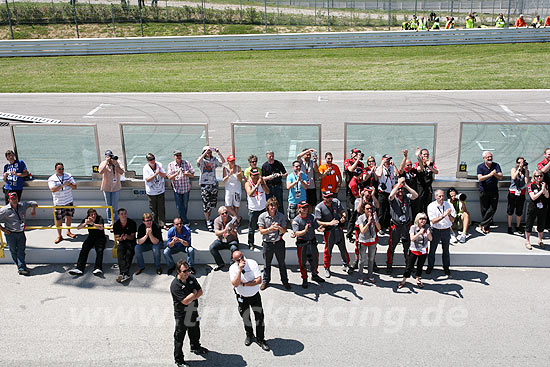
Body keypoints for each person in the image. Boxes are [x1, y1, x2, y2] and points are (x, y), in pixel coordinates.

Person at [229, 251, 270, 352]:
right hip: (242, 297)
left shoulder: (252, 263)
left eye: (242, 257)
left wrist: (244, 284)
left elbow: (259, 280)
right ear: (234, 261)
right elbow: (235, 283)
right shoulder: (233, 268)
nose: (241, 260)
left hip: (254, 296)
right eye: (238, 260)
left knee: (259, 318)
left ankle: (261, 339)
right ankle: (249, 335)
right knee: (245, 317)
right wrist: (239, 270)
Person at [170, 260, 208, 367]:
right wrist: (193, 293)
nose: (187, 273)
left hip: (192, 311)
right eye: (184, 271)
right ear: (178, 272)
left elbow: (200, 292)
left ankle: (195, 347)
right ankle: (179, 359)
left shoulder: (191, 278)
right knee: (179, 337)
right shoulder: (175, 285)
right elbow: (185, 301)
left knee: (195, 330)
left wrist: (193, 296)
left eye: (188, 270)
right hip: (181, 315)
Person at [0, 192, 37, 275]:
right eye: (12, 199)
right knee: (13, 251)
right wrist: (3, 229)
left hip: (21, 233)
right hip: (10, 233)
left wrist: (33, 209)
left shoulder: (22, 205)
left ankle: (21, 268)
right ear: (9, 200)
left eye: (15, 198)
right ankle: (21, 266)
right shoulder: (5, 210)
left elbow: (33, 202)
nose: (14, 200)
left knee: (21, 250)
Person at [386, 176, 418, 275]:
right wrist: (398, 185)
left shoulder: (406, 198)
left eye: (401, 189)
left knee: (407, 247)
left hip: (406, 226)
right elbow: (391, 195)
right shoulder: (393, 199)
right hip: (395, 226)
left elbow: (415, 195)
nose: (400, 190)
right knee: (392, 247)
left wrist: (406, 186)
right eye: (398, 189)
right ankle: (389, 265)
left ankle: (408, 266)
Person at [315, 191, 350, 278]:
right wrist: (329, 223)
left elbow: (342, 211)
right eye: (327, 197)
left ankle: (346, 264)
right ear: (323, 197)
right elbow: (318, 221)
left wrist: (343, 217)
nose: (330, 199)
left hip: (338, 229)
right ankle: (327, 268)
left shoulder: (336, 202)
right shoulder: (319, 207)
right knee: (328, 250)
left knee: (343, 248)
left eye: (331, 196)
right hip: (328, 231)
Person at [258, 197, 290, 290]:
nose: (273, 207)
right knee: (267, 264)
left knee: (282, 263)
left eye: (275, 205)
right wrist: (270, 229)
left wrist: (279, 228)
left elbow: (284, 230)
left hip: (279, 242)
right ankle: (265, 281)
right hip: (267, 243)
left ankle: (285, 281)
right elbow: (261, 231)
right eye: (271, 205)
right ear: (267, 207)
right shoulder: (262, 216)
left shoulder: (281, 216)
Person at [291, 201, 325, 288]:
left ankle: (314, 275)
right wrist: (304, 231)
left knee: (315, 260)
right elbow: (296, 233)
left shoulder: (311, 217)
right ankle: (304, 278)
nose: (305, 209)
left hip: (312, 242)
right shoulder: (296, 220)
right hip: (302, 244)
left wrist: (320, 228)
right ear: (299, 209)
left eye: (306, 207)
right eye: (303, 207)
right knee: (302, 263)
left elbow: (316, 226)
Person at [68, 209, 106, 276]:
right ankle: (79, 268)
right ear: (89, 215)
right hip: (91, 237)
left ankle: (98, 268)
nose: (93, 216)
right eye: (92, 215)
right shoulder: (86, 219)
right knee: (84, 248)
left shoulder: (100, 218)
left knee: (99, 250)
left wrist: (93, 224)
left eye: (94, 214)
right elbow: (78, 228)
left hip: (100, 237)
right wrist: (85, 223)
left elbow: (101, 227)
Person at [398, 213, 432, 289]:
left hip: (423, 250)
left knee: (420, 266)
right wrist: (419, 232)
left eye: (424, 219)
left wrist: (429, 234)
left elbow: (431, 239)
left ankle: (418, 279)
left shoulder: (427, 227)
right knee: (409, 267)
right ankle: (403, 280)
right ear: (417, 219)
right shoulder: (413, 227)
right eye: (421, 219)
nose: (423, 220)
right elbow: (412, 239)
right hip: (414, 250)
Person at [426, 190, 456, 275]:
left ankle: (446, 267)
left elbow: (453, 220)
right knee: (432, 250)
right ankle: (430, 267)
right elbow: (433, 221)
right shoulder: (431, 206)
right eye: (439, 196)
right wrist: (444, 215)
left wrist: (449, 215)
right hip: (435, 230)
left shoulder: (449, 205)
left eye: (443, 196)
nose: (442, 198)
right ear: (435, 197)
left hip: (446, 230)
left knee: (446, 250)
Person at [197, 146, 225, 232]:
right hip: (205, 184)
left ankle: (209, 218)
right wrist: (205, 153)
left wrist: (218, 152)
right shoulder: (202, 160)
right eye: (206, 151)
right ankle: (208, 221)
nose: (208, 153)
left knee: (212, 204)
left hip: (213, 184)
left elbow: (223, 162)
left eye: (209, 151)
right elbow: (198, 161)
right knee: (206, 205)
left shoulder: (214, 159)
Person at [48, 162, 77, 244]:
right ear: (55, 169)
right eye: (59, 169)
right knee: (58, 219)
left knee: (68, 216)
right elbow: (53, 189)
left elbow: (75, 186)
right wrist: (63, 185)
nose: (61, 170)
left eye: (62, 169)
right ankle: (59, 235)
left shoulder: (68, 175)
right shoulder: (52, 178)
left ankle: (69, 231)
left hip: (68, 200)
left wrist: (70, 184)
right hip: (58, 202)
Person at [477, 151, 503, 234]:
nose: (490, 158)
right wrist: (490, 174)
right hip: (484, 190)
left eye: (491, 156)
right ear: (484, 158)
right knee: (484, 209)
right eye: (488, 157)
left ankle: (483, 224)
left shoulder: (496, 165)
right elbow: (480, 178)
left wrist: (495, 174)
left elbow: (500, 176)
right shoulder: (480, 167)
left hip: (494, 190)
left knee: (493, 208)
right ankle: (485, 226)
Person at [167, 150, 195, 226]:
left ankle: (181, 220)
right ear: (174, 156)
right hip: (177, 189)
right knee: (179, 206)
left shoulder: (187, 163)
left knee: (185, 205)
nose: (179, 157)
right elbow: (169, 177)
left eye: (180, 155)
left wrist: (187, 173)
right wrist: (177, 173)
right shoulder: (171, 165)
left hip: (186, 188)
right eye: (177, 155)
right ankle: (185, 221)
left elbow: (192, 175)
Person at [356, 201, 381, 284]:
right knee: (362, 259)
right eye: (367, 209)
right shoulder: (361, 218)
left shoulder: (374, 217)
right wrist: (369, 222)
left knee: (371, 259)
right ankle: (360, 276)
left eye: (371, 208)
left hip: (372, 241)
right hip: (363, 241)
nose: (369, 210)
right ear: (364, 210)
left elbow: (379, 228)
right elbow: (362, 231)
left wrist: (376, 220)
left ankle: (370, 275)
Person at [98, 150, 124, 226]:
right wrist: (106, 162)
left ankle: (114, 222)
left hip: (116, 187)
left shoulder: (117, 162)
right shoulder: (103, 163)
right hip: (106, 187)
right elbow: (100, 172)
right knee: (108, 206)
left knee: (115, 206)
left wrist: (115, 164)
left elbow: (121, 172)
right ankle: (110, 222)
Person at [245, 167, 269, 249]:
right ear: (250, 175)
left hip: (262, 208)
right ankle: (251, 243)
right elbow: (250, 193)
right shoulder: (248, 183)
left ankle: (265, 241)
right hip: (253, 209)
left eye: (257, 175)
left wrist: (262, 184)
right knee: (252, 228)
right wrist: (257, 185)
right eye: (254, 176)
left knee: (265, 226)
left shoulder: (262, 182)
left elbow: (267, 191)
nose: (255, 177)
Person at [524, 170, 549, 250]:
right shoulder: (531, 185)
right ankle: (527, 241)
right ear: (534, 177)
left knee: (541, 224)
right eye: (537, 176)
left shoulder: (544, 185)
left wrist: (544, 189)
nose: (539, 178)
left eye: (540, 176)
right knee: (529, 224)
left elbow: (547, 196)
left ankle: (540, 240)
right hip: (533, 207)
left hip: (543, 207)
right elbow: (533, 197)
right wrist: (541, 191)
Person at [209, 206, 239, 271]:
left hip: (231, 240)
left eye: (226, 212)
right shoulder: (217, 220)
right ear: (219, 215)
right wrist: (225, 230)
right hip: (221, 240)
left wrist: (231, 230)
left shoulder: (232, 219)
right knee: (212, 247)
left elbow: (235, 234)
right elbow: (217, 233)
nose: (225, 214)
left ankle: (232, 265)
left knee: (234, 248)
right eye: (223, 214)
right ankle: (220, 264)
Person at [143, 153, 167, 229]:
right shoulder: (145, 168)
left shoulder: (159, 165)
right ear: (147, 161)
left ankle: (162, 223)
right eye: (150, 160)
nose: (152, 161)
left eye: (153, 159)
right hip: (151, 192)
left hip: (160, 190)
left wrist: (159, 172)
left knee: (161, 208)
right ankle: (155, 224)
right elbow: (147, 179)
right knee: (153, 209)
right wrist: (155, 174)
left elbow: (164, 175)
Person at [344, 148, 365, 238]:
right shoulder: (348, 161)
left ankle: (359, 231)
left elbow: (362, 175)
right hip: (350, 189)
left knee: (360, 211)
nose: (357, 155)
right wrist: (357, 160)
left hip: (359, 188)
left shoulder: (361, 164)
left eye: (359, 154)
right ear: (352, 154)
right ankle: (349, 234)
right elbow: (351, 169)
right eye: (356, 154)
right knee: (352, 212)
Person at [113, 208, 136, 283]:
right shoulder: (116, 225)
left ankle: (123, 273)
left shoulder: (132, 223)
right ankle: (124, 273)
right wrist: (121, 238)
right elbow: (117, 237)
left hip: (131, 241)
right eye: (122, 214)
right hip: (122, 242)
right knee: (120, 253)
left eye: (125, 213)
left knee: (129, 254)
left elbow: (133, 236)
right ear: (119, 215)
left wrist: (127, 237)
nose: (124, 215)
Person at [376, 154, 398, 233]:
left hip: (390, 192)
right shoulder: (380, 168)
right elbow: (378, 174)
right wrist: (382, 164)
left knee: (389, 211)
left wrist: (394, 165)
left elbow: (397, 174)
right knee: (381, 211)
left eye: (389, 160)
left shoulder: (391, 168)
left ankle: (386, 225)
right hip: (383, 193)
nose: (388, 162)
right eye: (387, 160)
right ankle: (380, 228)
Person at [508, 157, 529, 235]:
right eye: (520, 162)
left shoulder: (525, 171)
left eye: (523, 162)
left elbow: (526, 181)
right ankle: (509, 226)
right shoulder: (513, 169)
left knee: (519, 210)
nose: (521, 164)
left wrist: (526, 170)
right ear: (517, 163)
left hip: (521, 192)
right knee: (510, 210)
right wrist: (519, 169)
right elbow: (513, 177)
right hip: (513, 192)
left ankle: (518, 225)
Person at [261, 150, 287, 215]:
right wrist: (268, 177)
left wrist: (279, 175)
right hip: (268, 187)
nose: (272, 158)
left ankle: (281, 219)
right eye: (270, 156)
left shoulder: (279, 163)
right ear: (267, 156)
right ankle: (268, 218)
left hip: (278, 186)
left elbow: (285, 174)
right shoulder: (264, 166)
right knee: (268, 204)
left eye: (272, 156)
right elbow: (262, 178)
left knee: (280, 203)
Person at [414, 147, 438, 214]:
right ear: (421, 155)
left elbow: (436, 171)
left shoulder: (431, 164)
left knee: (428, 205)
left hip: (428, 187)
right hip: (420, 187)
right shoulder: (417, 163)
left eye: (427, 154)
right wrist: (418, 158)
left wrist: (430, 166)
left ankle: (427, 221)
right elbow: (419, 169)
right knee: (419, 205)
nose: (426, 156)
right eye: (424, 154)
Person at [399, 149, 420, 218]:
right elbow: (400, 169)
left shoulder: (413, 171)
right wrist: (405, 157)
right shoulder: (403, 173)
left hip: (414, 194)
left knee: (415, 211)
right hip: (406, 195)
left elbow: (421, 168)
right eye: (408, 165)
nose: (410, 166)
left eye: (411, 164)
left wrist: (418, 157)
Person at [222, 155, 242, 225]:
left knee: (236, 206)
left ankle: (235, 221)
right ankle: (237, 217)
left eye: (233, 161)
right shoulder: (225, 168)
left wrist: (238, 175)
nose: (233, 162)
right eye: (231, 161)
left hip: (237, 189)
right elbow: (223, 180)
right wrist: (229, 174)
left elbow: (240, 179)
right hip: (229, 190)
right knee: (228, 206)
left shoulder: (238, 168)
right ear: (228, 161)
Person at [536, 148, 550, 229]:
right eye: (549, 154)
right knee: (543, 207)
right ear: (545, 155)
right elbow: (543, 171)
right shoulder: (541, 163)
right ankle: (542, 225)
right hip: (544, 189)